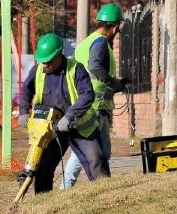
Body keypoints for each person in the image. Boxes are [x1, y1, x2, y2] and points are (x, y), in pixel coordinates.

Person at [18, 33, 110, 193]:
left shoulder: (76, 69)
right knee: (43, 168)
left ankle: (106, 197)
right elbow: (26, 89)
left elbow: (88, 95)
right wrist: (23, 112)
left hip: (80, 127)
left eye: (48, 62)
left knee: (95, 161)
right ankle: (42, 203)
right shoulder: (38, 70)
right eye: (42, 61)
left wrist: (69, 116)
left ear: (59, 55)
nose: (45, 65)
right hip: (51, 129)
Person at [62, 2, 129, 189]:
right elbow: (95, 68)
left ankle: (77, 186)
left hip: (86, 103)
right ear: (115, 27)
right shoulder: (100, 43)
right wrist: (114, 83)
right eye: (118, 28)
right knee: (95, 151)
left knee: (90, 150)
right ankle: (71, 187)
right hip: (95, 106)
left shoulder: (87, 42)